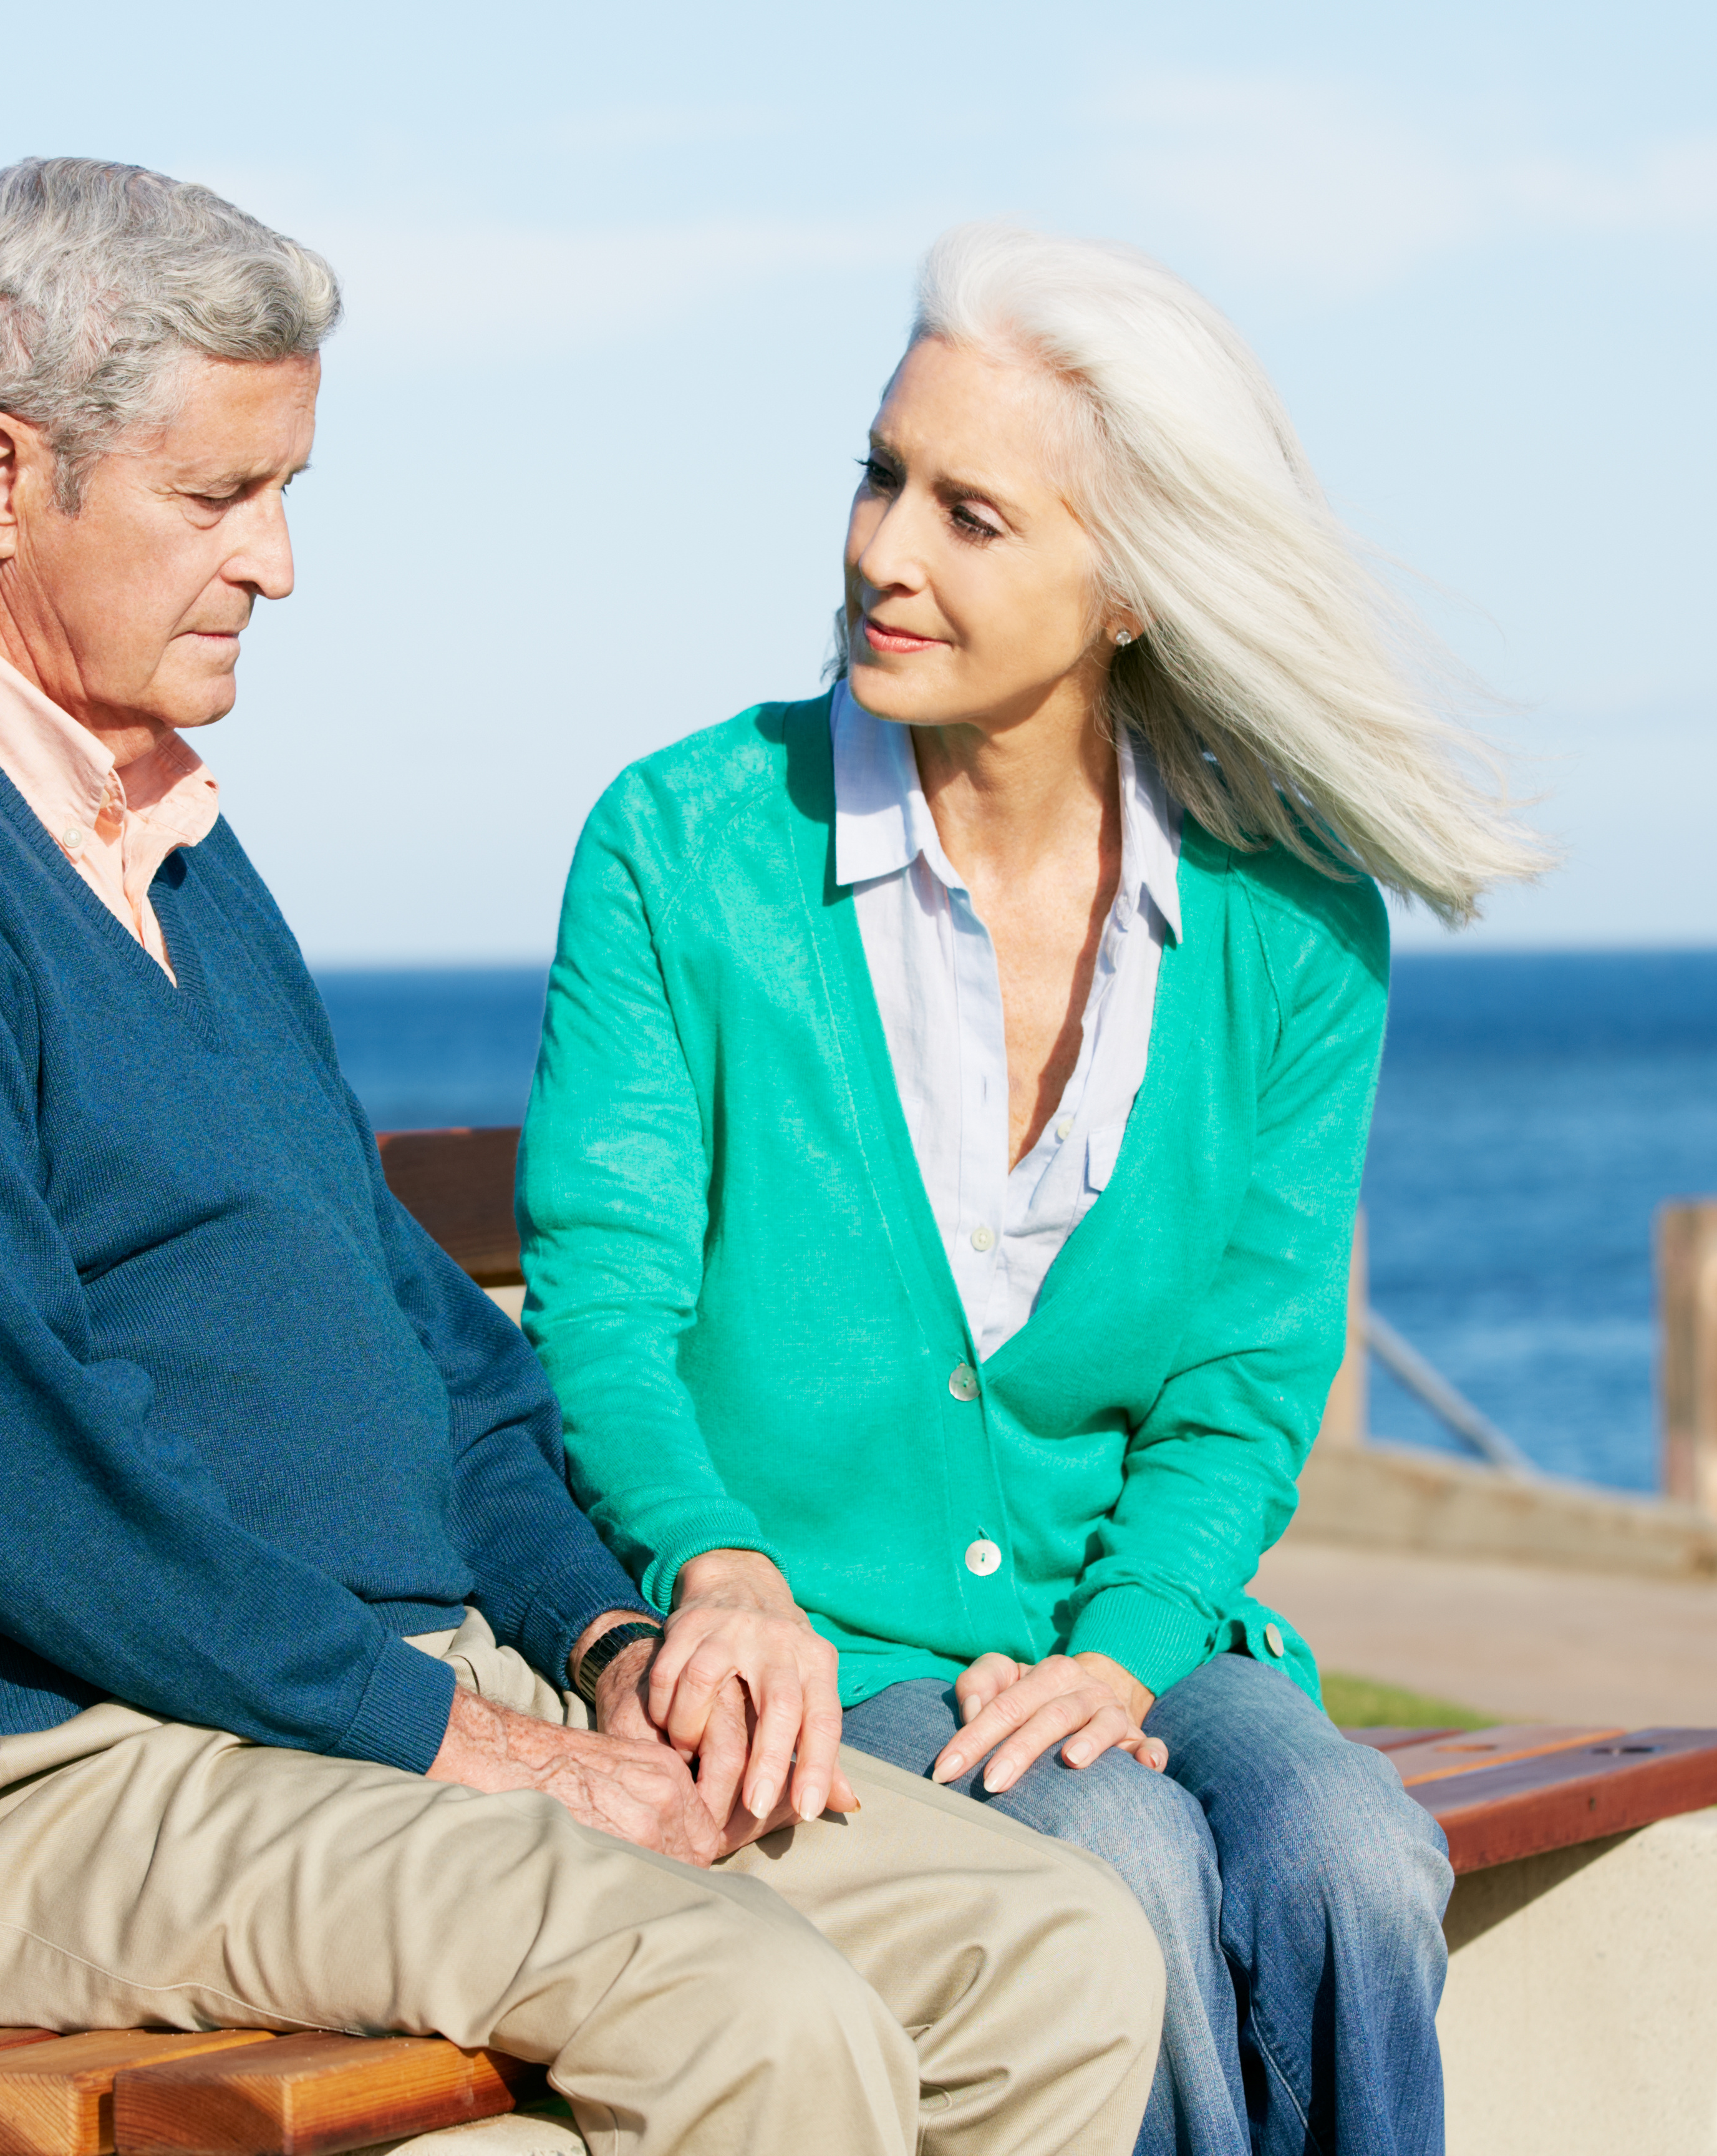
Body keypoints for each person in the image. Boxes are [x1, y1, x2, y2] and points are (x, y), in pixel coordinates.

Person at [0, 161, 1161, 2156]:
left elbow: (419, 1331)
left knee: (1054, 1953)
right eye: (219, 497)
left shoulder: (149, 829)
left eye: (286, 491)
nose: (278, 563)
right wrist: (468, 1745)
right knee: (745, 2006)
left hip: (301, 1702)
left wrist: (606, 1644)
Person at [518, 225, 1551, 2156]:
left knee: (1352, 1854)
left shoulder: (1293, 917)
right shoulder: (683, 847)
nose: (883, 552)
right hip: (820, 1649)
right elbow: (603, 1304)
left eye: (971, 514)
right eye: (879, 475)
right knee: (1117, 1868)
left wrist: (1123, 1649)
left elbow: (1250, 1376)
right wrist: (712, 1566)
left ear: (1135, 589)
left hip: (1135, 1622)